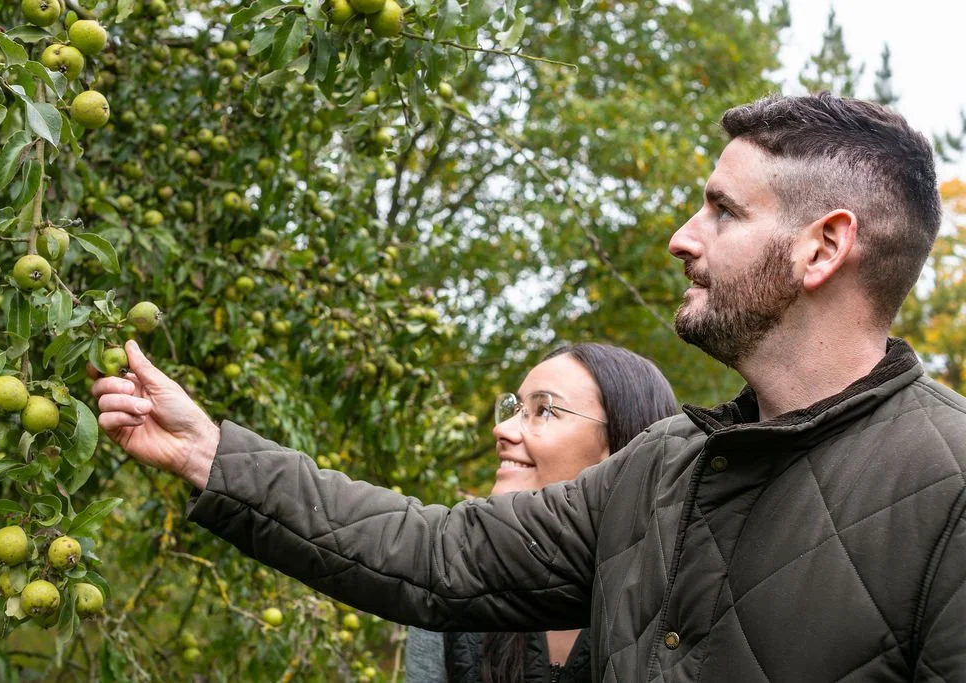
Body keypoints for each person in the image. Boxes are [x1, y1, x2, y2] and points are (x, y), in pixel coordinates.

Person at [91, 93, 966, 681]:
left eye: (723, 210)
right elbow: (435, 552)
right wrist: (213, 454)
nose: (681, 237)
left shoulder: (951, 487)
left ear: (823, 247)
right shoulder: (662, 467)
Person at [403, 343, 678, 682]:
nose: (502, 430)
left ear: (623, 447)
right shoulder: (455, 582)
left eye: (544, 410)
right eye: (515, 408)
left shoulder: (688, 607)